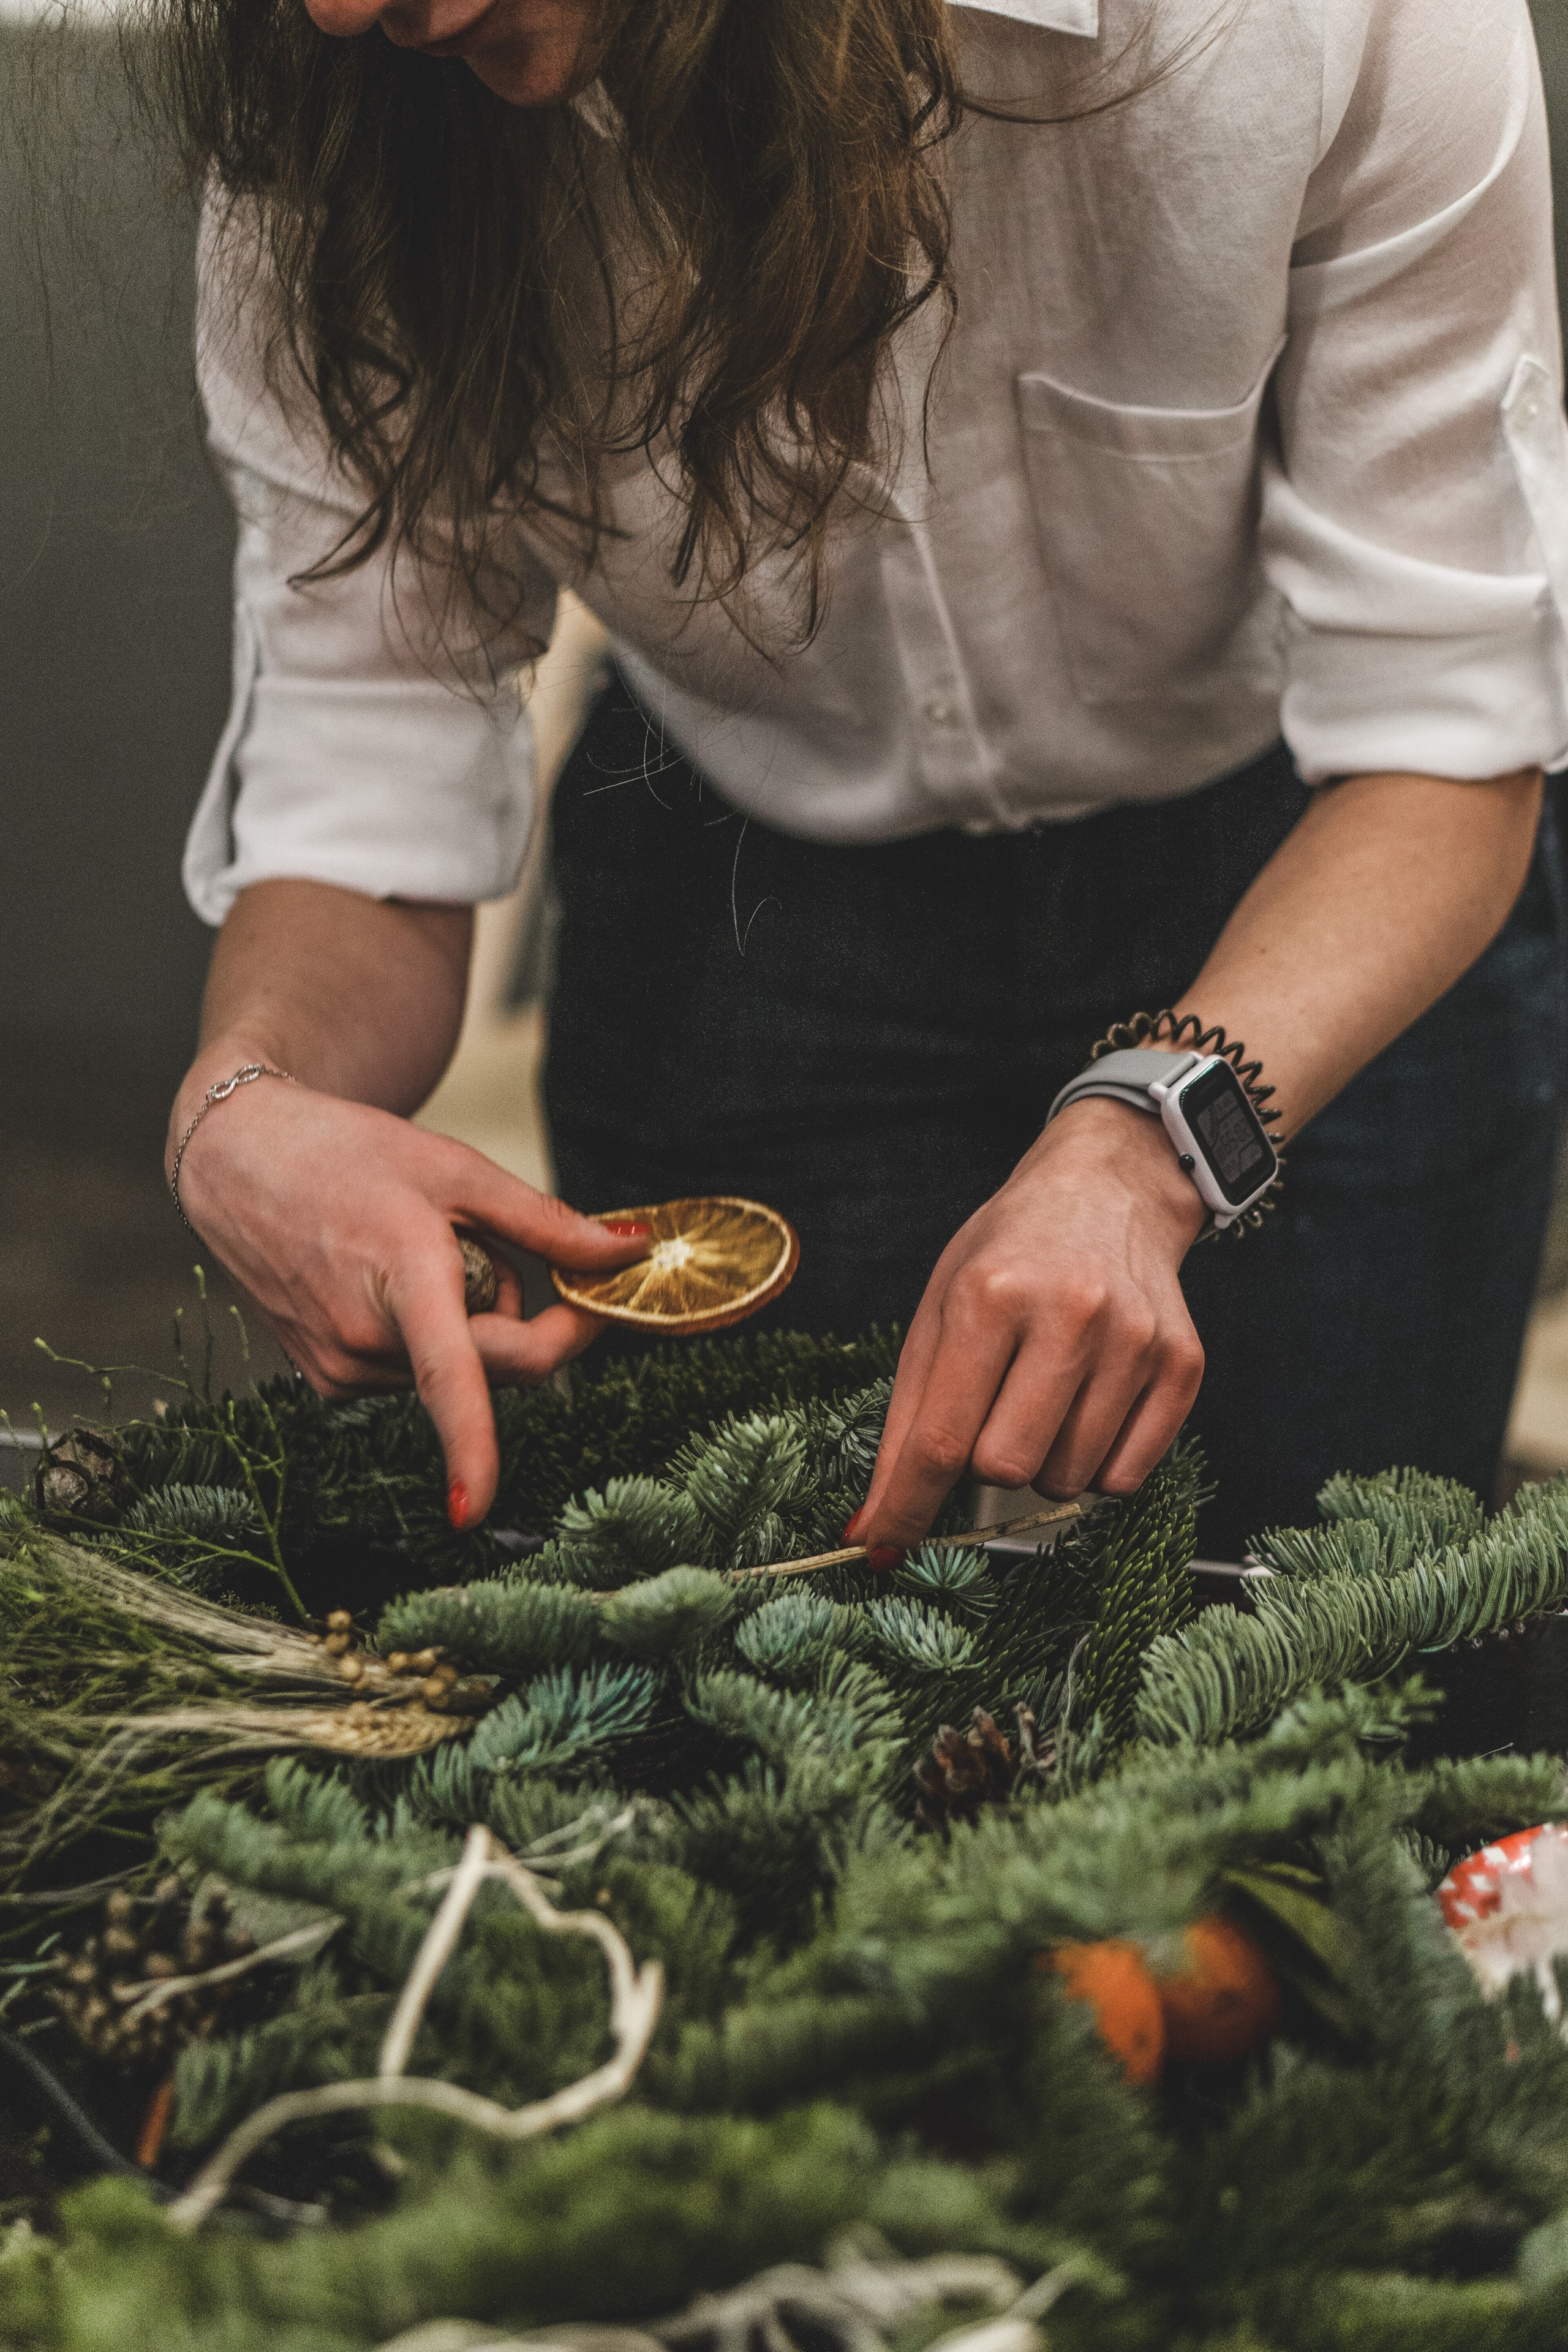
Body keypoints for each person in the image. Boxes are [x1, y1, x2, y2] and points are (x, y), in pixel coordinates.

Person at [162, 0, 1568, 1562]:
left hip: (1308, 879)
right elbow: (366, 735)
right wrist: (252, 1099)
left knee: (1332, 1634)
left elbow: (1441, 730)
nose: (340, 10)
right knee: (768, 1646)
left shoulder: (1289, 25)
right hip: (741, 908)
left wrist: (1148, 1147)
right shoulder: (333, 102)